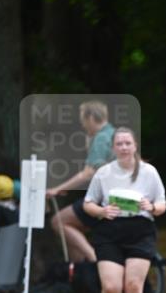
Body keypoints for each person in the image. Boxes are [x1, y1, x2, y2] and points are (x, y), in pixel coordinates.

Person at [83, 127, 166, 293]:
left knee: (133, 285)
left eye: (127, 143)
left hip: (141, 231)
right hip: (109, 232)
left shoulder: (149, 172)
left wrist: (151, 207)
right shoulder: (103, 173)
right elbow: (88, 203)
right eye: (119, 144)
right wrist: (102, 211)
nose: (123, 147)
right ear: (113, 148)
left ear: (135, 145)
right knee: (111, 287)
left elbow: (161, 205)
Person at [47, 101, 116, 261]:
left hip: (103, 200)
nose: (83, 125)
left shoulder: (100, 138)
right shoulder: (114, 133)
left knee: (58, 221)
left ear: (91, 117)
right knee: (74, 229)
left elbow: (88, 173)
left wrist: (57, 189)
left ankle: (94, 259)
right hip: (116, 196)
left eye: (83, 120)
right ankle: (81, 276)